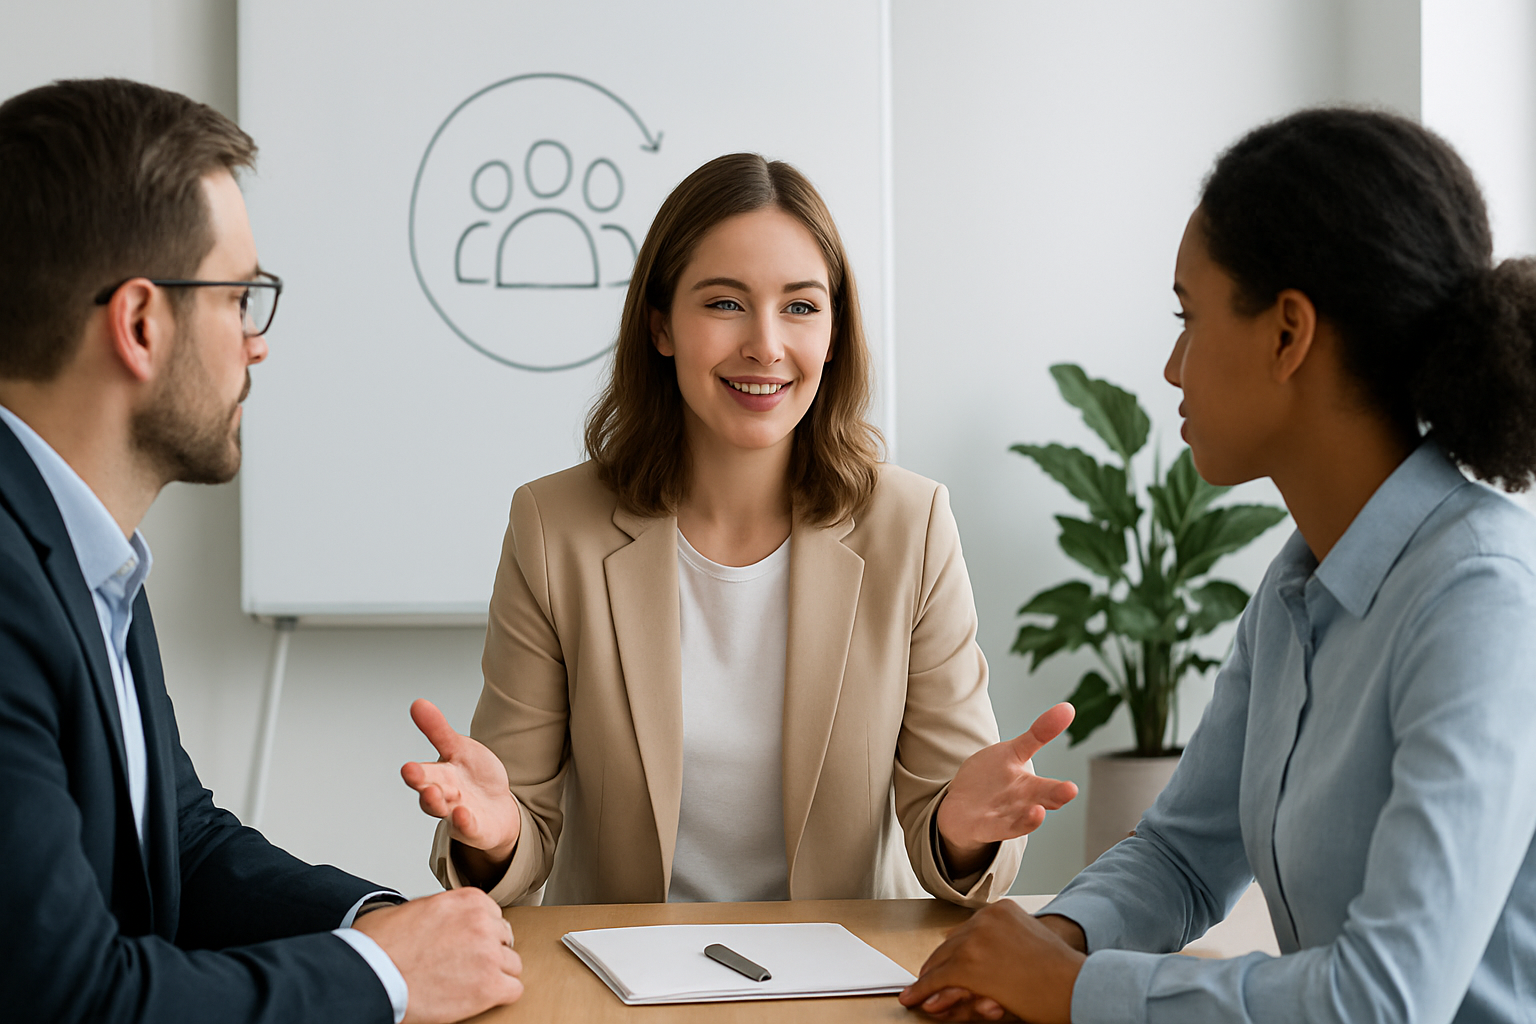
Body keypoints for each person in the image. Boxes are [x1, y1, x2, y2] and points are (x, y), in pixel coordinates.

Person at [900, 107, 1536, 1023]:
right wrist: (1050, 940)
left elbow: (1385, 1002)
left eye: (1189, 317)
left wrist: (1071, 988)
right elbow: (1183, 856)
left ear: (1288, 335)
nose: (1171, 367)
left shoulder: (1484, 597)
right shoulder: (1298, 586)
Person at [401, 152, 1078, 908]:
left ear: (834, 333)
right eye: (725, 303)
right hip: (618, 967)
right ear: (660, 324)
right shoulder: (555, 528)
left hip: (842, 965)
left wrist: (962, 830)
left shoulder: (910, 527)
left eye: (801, 307)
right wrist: (495, 836)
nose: (765, 344)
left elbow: (947, 825)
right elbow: (516, 819)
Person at [0, 78, 523, 1024]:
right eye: (239, 298)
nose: (257, 344)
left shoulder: (82, 551)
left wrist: (389, 925)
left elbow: (181, 842)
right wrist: (385, 973)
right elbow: (71, 999)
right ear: (141, 324)